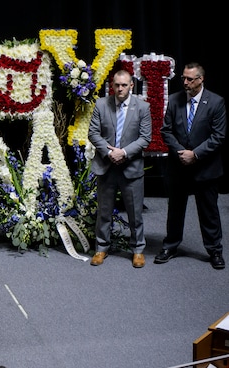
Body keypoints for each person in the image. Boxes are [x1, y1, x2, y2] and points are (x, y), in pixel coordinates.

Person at [156, 62, 226, 269]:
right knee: (175, 210)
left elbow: (218, 136)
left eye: (190, 79)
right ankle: (170, 246)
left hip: (205, 168)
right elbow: (166, 130)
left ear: (201, 79)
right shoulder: (175, 100)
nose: (185, 82)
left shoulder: (216, 102)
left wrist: (195, 154)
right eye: (183, 78)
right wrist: (182, 153)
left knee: (209, 212)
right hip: (179, 166)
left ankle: (214, 250)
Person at [88, 69, 152, 268]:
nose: (120, 88)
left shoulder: (142, 107)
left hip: (130, 167)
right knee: (104, 211)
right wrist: (109, 153)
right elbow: (93, 133)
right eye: (116, 85)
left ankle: (138, 250)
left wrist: (122, 152)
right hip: (106, 167)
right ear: (111, 85)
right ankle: (101, 248)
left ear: (131, 85)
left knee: (135, 213)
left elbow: (145, 138)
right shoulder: (101, 104)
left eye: (124, 85)